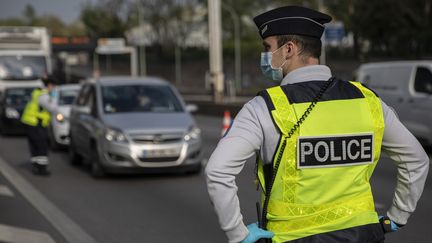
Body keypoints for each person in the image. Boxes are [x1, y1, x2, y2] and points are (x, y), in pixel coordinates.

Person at [205, 6, 429, 243]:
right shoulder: (369, 101)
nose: (266, 56)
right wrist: (398, 216)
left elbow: (217, 171)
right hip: (365, 235)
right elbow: (416, 160)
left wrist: (238, 234)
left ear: (289, 48)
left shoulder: (264, 107)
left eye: (268, 48)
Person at [21, 74, 56, 175]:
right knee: (42, 145)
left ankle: (36, 166)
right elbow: (52, 108)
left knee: (35, 145)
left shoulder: (37, 92)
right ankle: (42, 169)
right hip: (35, 123)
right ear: (49, 85)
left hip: (30, 122)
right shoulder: (44, 96)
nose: (54, 89)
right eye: (54, 86)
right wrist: (54, 98)